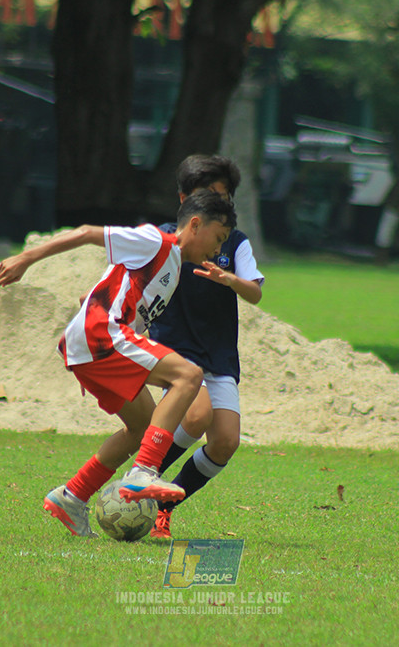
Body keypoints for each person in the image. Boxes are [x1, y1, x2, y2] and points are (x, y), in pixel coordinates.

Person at [0, 189, 237, 537]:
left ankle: (72, 496)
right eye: (219, 238)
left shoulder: (172, 268)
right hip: (101, 335)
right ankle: (144, 471)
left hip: (92, 344)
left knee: (141, 427)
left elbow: (105, 289)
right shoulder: (156, 242)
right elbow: (86, 233)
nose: (218, 250)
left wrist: (93, 301)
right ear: (195, 225)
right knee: (189, 375)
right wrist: (26, 258)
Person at [147, 154, 264, 539]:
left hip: (217, 353)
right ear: (185, 200)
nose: (217, 203)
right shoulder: (164, 237)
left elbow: (255, 292)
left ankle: (164, 505)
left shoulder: (235, 241)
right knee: (196, 415)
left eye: (223, 196)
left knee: (226, 441)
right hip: (175, 350)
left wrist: (229, 279)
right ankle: (143, 474)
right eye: (207, 195)